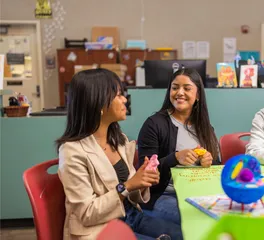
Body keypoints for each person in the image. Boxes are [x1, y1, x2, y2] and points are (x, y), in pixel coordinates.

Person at [56, 69, 182, 240]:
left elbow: (132, 196)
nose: (124, 99)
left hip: (132, 218)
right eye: (118, 95)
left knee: (186, 234)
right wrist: (128, 185)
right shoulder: (72, 151)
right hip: (101, 230)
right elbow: (86, 213)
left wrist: (142, 181)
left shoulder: (119, 140)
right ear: (98, 103)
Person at [137, 68, 220, 225]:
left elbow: (216, 166)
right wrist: (174, 158)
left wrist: (209, 161)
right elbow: (144, 173)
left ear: (198, 96)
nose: (179, 93)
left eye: (187, 88)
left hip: (199, 193)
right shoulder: (154, 124)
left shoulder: (205, 127)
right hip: (165, 196)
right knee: (202, 219)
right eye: (175, 88)